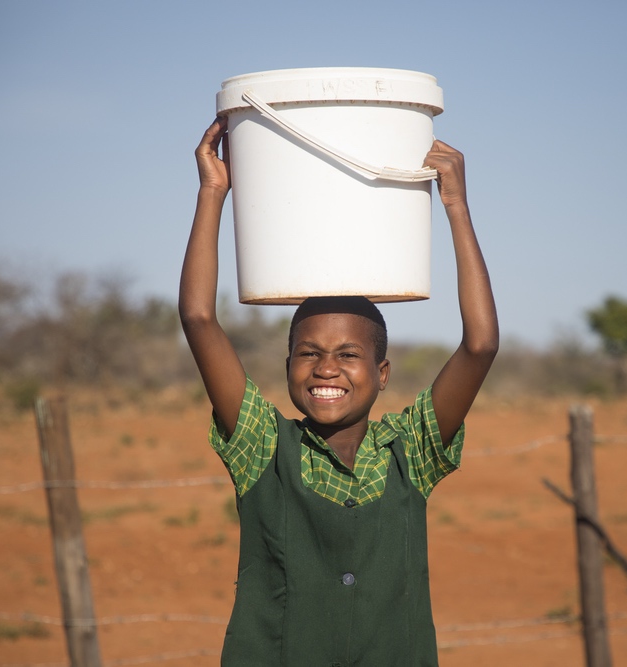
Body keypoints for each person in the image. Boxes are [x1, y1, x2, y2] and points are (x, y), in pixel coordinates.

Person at [179, 117, 498, 666]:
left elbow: (480, 346)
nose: (326, 369)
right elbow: (199, 317)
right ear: (287, 366)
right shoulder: (261, 447)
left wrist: (456, 207)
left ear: (382, 373)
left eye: (349, 355)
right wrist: (213, 192)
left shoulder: (411, 453)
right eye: (309, 353)